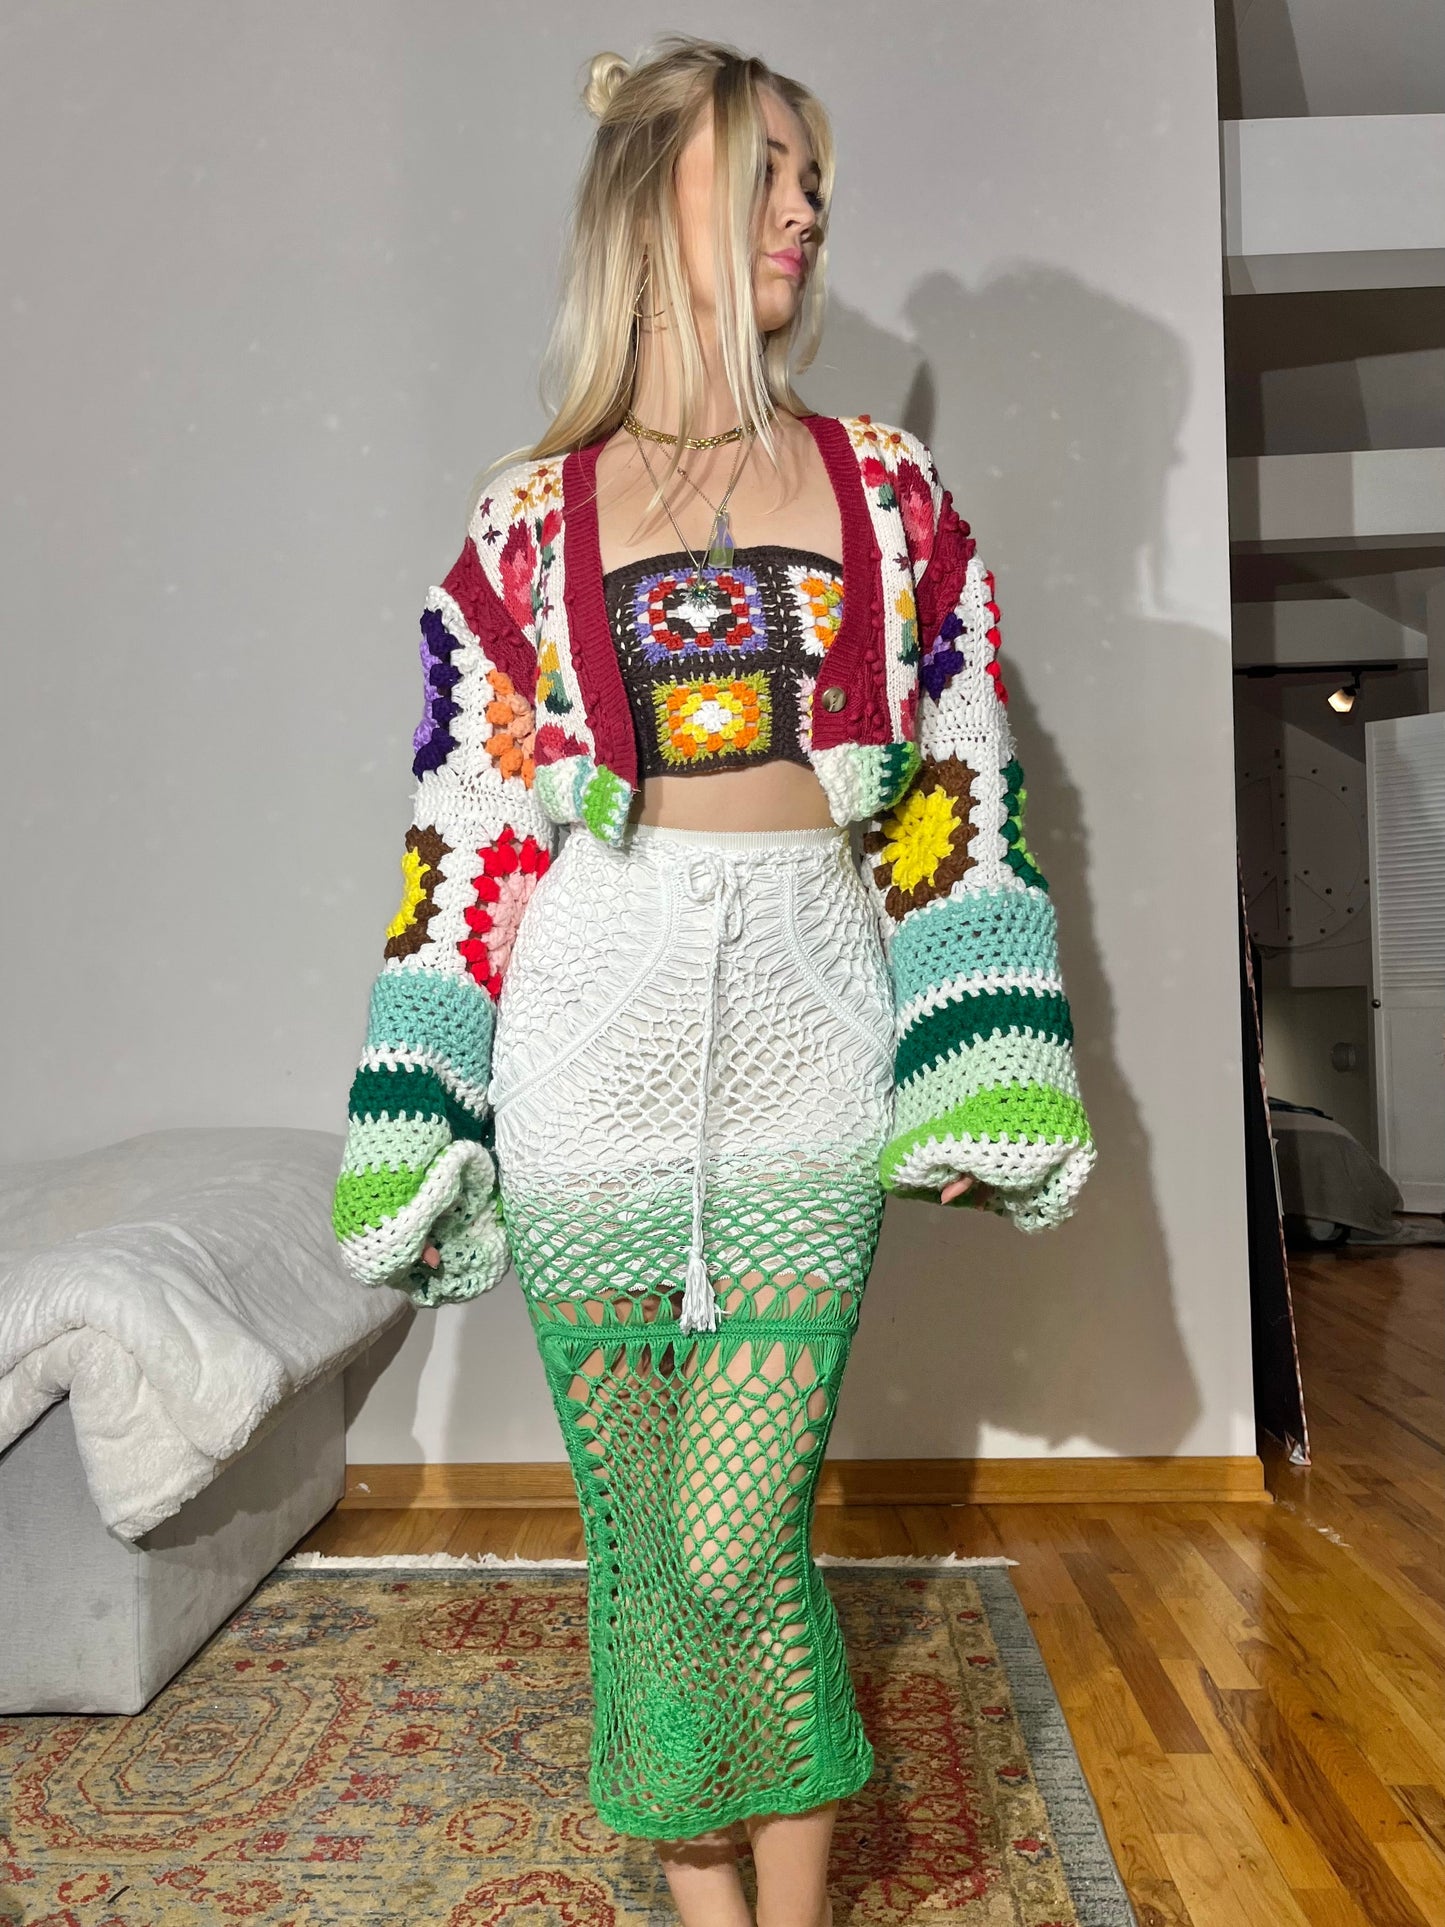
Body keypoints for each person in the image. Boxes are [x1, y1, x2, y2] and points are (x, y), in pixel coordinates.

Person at [331, 31, 1095, 1927]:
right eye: (766, 168)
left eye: (815, 178)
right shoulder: (524, 523)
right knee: (645, 1554)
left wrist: (984, 1058)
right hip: (584, 1039)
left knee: (743, 1530)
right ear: (643, 202)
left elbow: (962, 793)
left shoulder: (892, 492)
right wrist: (414, 1109)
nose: (806, 209)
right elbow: (462, 833)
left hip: (806, 1034)